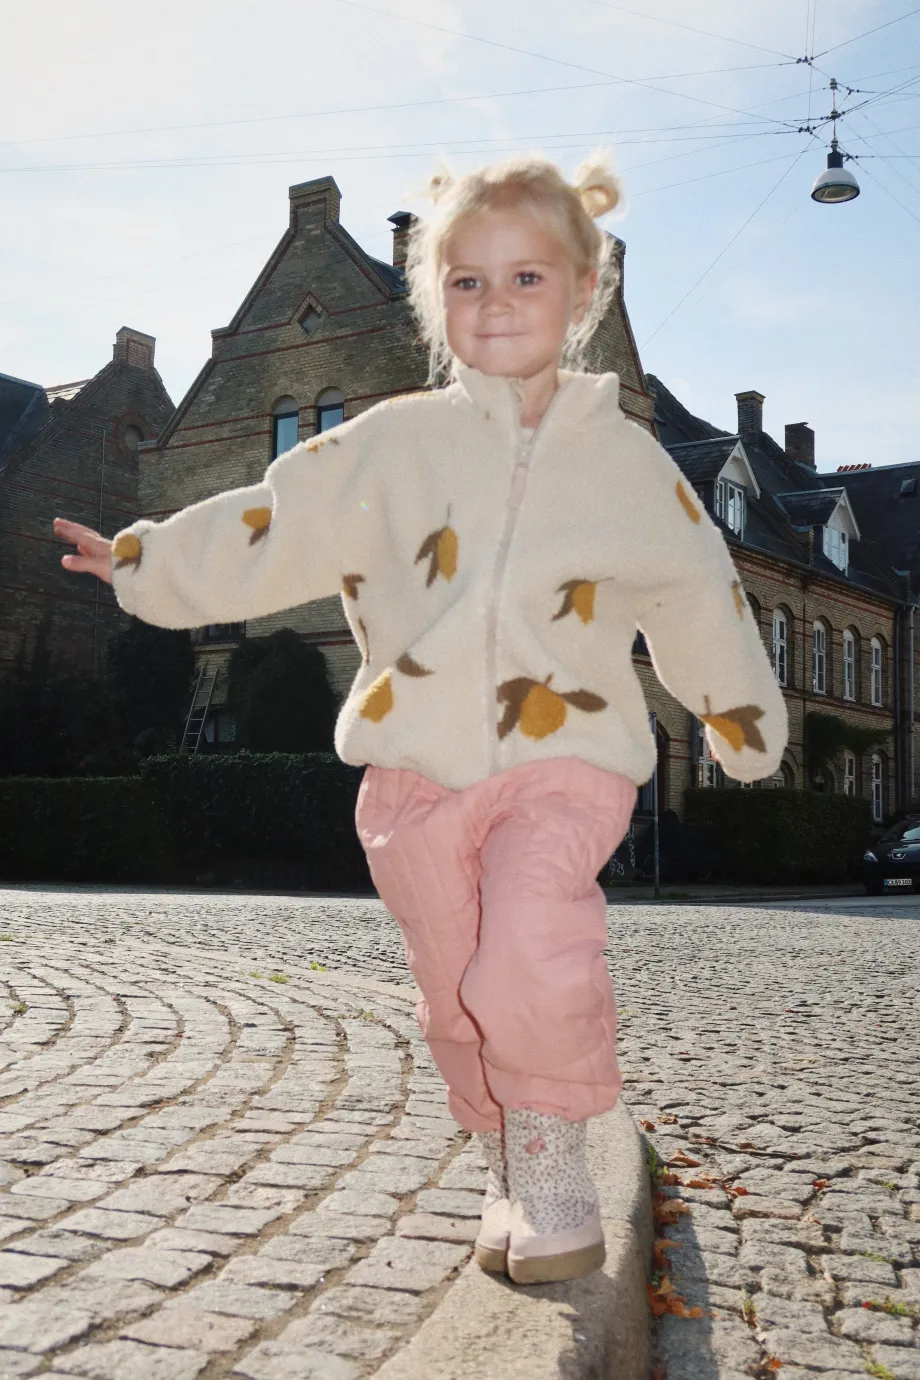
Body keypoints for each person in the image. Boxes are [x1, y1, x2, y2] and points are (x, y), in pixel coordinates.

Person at [54, 151, 787, 1286]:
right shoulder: (391, 442)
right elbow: (277, 521)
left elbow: (697, 586)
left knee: (529, 943)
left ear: (582, 294)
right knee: (454, 991)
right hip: (412, 772)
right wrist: (147, 562)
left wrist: (737, 715)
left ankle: (554, 1167)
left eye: (526, 277)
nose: (495, 302)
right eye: (466, 281)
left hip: (566, 755)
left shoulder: (628, 462)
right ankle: (505, 1164)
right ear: (433, 302)